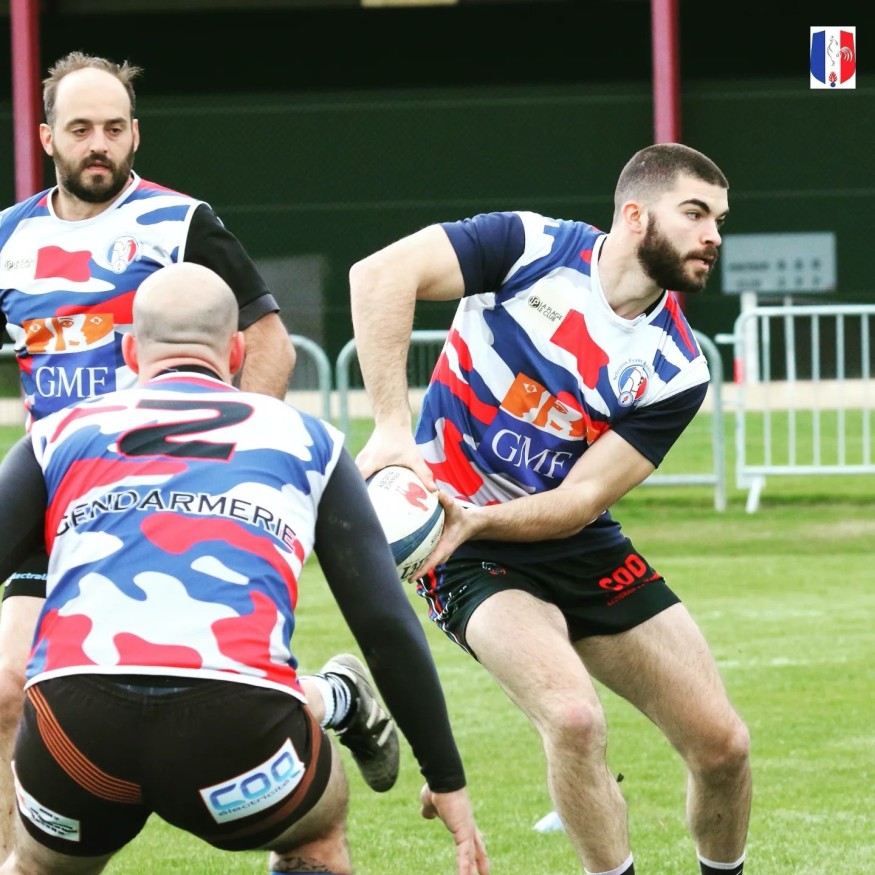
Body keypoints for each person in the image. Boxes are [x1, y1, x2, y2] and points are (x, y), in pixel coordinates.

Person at [0, 262, 490, 875]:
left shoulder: (55, 435)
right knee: (316, 836)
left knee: (37, 866)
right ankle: (335, 699)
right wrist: (446, 779)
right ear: (236, 352)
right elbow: (383, 622)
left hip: (74, 736)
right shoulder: (310, 440)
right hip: (238, 736)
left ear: (129, 352)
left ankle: (333, 698)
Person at [348, 143, 752, 875]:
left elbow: (580, 499)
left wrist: (479, 516)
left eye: (718, 220)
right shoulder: (529, 248)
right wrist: (390, 428)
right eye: (695, 214)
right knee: (571, 717)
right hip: (461, 551)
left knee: (723, 746)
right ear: (635, 215)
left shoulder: (676, 366)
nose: (712, 235)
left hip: (562, 534)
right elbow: (379, 273)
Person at [0, 51, 296, 859]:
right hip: (53, 492)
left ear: (136, 134)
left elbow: (269, 343)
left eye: (113, 127)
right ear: (47, 138)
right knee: (7, 686)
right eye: (80, 129)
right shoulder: (10, 238)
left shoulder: (180, 223)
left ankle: (316, 744)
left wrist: (234, 458)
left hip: (162, 496)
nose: (98, 144)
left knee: (210, 680)